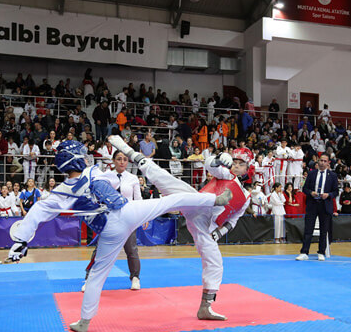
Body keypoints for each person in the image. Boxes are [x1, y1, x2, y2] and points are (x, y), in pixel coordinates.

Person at [6, 140, 230, 332]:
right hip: (126, 212)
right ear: (75, 159)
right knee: (172, 200)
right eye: (82, 156)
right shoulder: (93, 172)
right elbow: (113, 183)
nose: (85, 158)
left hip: (109, 231)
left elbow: (38, 211)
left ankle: (84, 321)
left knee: (97, 275)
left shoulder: (61, 193)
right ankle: (215, 200)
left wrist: (20, 241)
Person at [108, 134, 252, 321]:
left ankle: (205, 307)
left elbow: (233, 221)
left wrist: (218, 233)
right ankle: (126, 149)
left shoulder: (246, 197)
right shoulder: (226, 174)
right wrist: (217, 160)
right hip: (197, 201)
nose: (236, 166)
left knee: (215, 262)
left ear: (248, 169)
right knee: (164, 178)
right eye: (235, 162)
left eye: (241, 164)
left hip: (205, 225)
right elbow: (210, 165)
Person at [106, 150, 145, 290]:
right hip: (110, 217)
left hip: (128, 218)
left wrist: (143, 216)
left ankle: (135, 278)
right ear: (113, 160)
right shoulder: (106, 176)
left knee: (131, 249)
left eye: (124, 159)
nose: (122, 162)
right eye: (118, 159)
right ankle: (90, 278)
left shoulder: (133, 178)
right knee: (101, 250)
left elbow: (138, 199)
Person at [296, 154, 339, 261]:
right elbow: (305, 189)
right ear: (318, 161)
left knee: (324, 230)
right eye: (321, 160)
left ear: (328, 163)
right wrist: (311, 193)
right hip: (312, 204)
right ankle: (304, 252)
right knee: (308, 229)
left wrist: (328, 195)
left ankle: (321, 252)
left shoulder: (332, 175)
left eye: (325, 161)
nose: (322, 163)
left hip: (325, 204)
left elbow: (336, 192)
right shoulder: (311, 173)